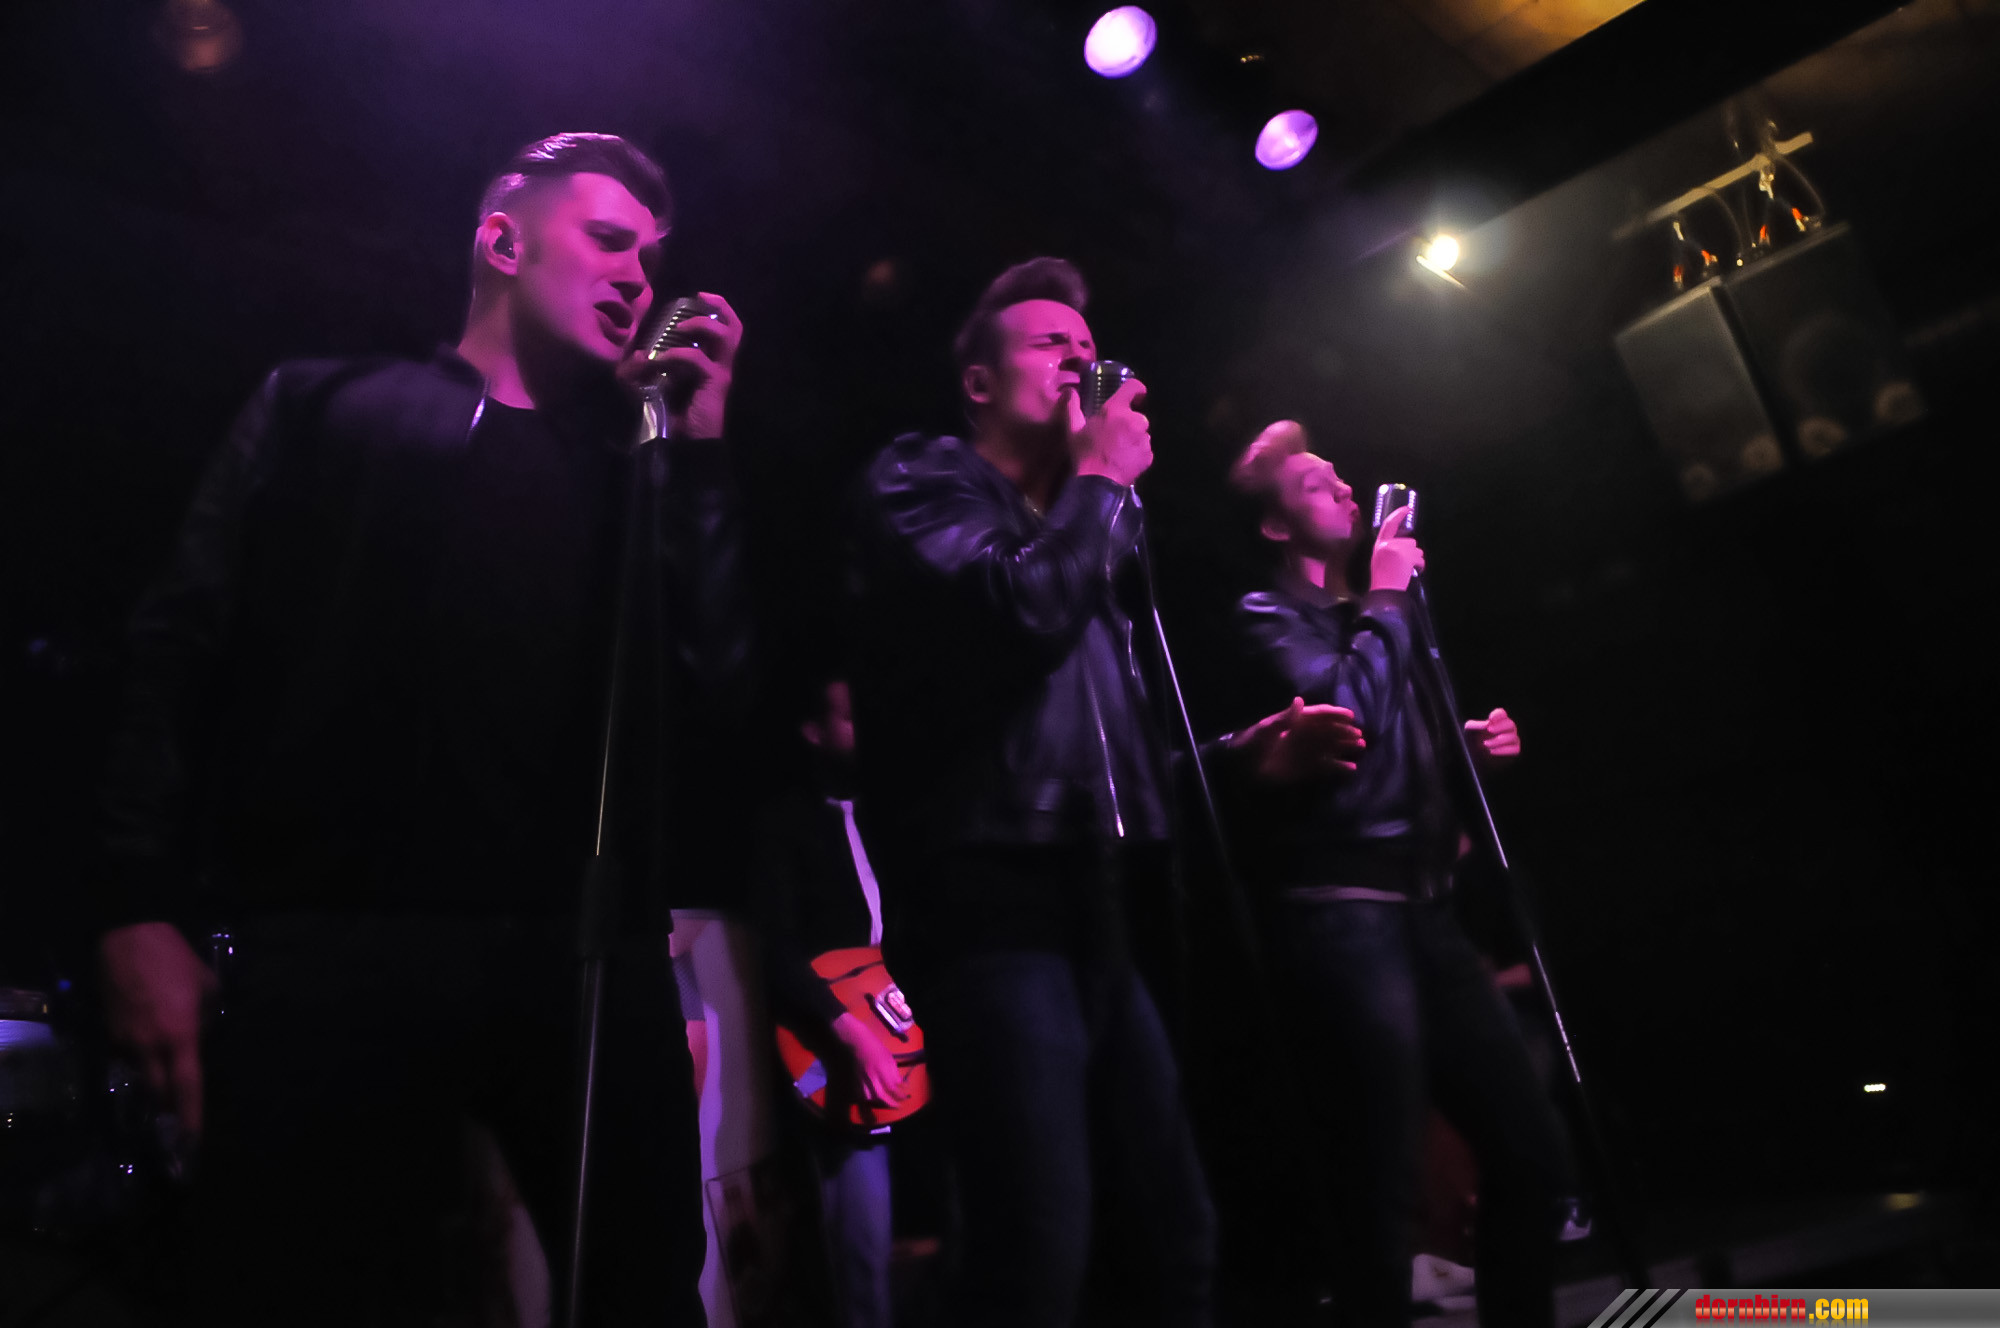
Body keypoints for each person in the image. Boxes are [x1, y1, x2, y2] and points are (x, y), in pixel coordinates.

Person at [93, 131, 751, 1326]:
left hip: (582, 957)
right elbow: (176, 642)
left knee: (641, 1288)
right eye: (609, 240)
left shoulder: (636, 475)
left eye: (650, 261)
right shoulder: (324, 408)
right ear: (502, 240)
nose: (637, 277)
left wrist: (694, 456)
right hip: (341, 941)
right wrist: (136, 898)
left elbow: (716, 700)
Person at [844, 258, 1360, 1328]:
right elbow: (1019, 612)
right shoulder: (921, 480)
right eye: (1049, 344)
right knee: (1035, 1244)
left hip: (1100, 908)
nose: (1079, 359)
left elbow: (1102, 757)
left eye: (1087, 346)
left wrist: (1236, 760)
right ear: (979, 383)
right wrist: (1096, 484)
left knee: (1177, 1235)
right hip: (994, 907)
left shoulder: (1091, 537)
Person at [1225, 418, 1574, 1328]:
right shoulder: (1267, 616)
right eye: (1314, 485)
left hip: (1426, 912)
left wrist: (1466, 755)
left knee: (1533, 1154)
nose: (1343, 488)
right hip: (1342, 915)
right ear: (1276, 525)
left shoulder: (1390, 613)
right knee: (1379, 1179)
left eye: (1339, 476)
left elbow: (1399, 747)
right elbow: (1346, 719)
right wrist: (1385, 595)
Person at [753, 676, 906, 1328]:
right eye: (849, 716)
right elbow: (778, 950)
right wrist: (849, 1031)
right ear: (814, 732)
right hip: (834, 1053)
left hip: (906, 1044)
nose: (865, 726)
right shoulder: (784, 823)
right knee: (859, 1248)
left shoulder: (885, 815)